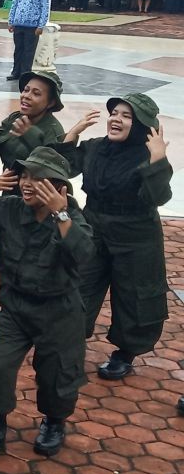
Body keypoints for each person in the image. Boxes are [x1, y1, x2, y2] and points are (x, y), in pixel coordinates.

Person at [0, 148, 93, 465]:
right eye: (24, 176)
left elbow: (83, 255)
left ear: (59, 187)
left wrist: (60, 214)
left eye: (38, 178)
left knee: (58, 376)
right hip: (16, 307)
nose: (27, 183)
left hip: (59, 311)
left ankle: (54, 422)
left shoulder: (72, 217)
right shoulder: (8, 209)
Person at [57, 93, 173, 381]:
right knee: (80, 285)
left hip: (136, 234)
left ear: (142, 127)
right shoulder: (96, 148)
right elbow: (64, 167)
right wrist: (72, 134)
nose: (116, 119)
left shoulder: (148, 155)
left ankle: (125, 353)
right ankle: (69, 346)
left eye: (126, 116)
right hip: (94, 225)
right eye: (114, 113)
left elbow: (158, 196)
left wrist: (158, 159)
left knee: (135, 295)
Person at [0, 70, 65, 172]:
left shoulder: (54, 131)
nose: (26, 96)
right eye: (26, 90)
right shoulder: (15, 118)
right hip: (8, 184)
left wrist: (30, 135)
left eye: (36, 93)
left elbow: (50, 168)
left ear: (51, 103)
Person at [7, 0, 49, 83]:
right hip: (19, 25)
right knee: (18, 50)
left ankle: (25, 74)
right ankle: (15, 72)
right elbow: (14, 7)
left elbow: (44, 10)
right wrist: (11, 22)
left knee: (28, 51)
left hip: (32, 27)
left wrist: (41, 26)